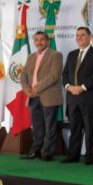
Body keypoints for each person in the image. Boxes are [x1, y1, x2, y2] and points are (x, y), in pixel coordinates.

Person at [61, 27, 93, 165]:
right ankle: (73, 155)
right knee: (75, 128)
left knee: (90, 128)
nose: (79, 37)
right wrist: (69, 87)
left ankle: (90, 157)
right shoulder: (72, 54)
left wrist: (82, 87)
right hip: (73, 97)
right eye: (77, 35)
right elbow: (65, 74)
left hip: (90, 97)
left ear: (89, 37)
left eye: (83, 35)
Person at [20, 31, 63, 161]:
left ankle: (47, 153)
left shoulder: (56, 55)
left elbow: (54, 75)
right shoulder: (31, 56)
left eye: (42, 40)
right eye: (36, 40)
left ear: (48, 41)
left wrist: (36, 88)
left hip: (48, 96)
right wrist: (27, 89)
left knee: (50, 126)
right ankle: (35, 151)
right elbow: (23, 76)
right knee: (37, 126)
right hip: (33, 97)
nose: (39, 42)